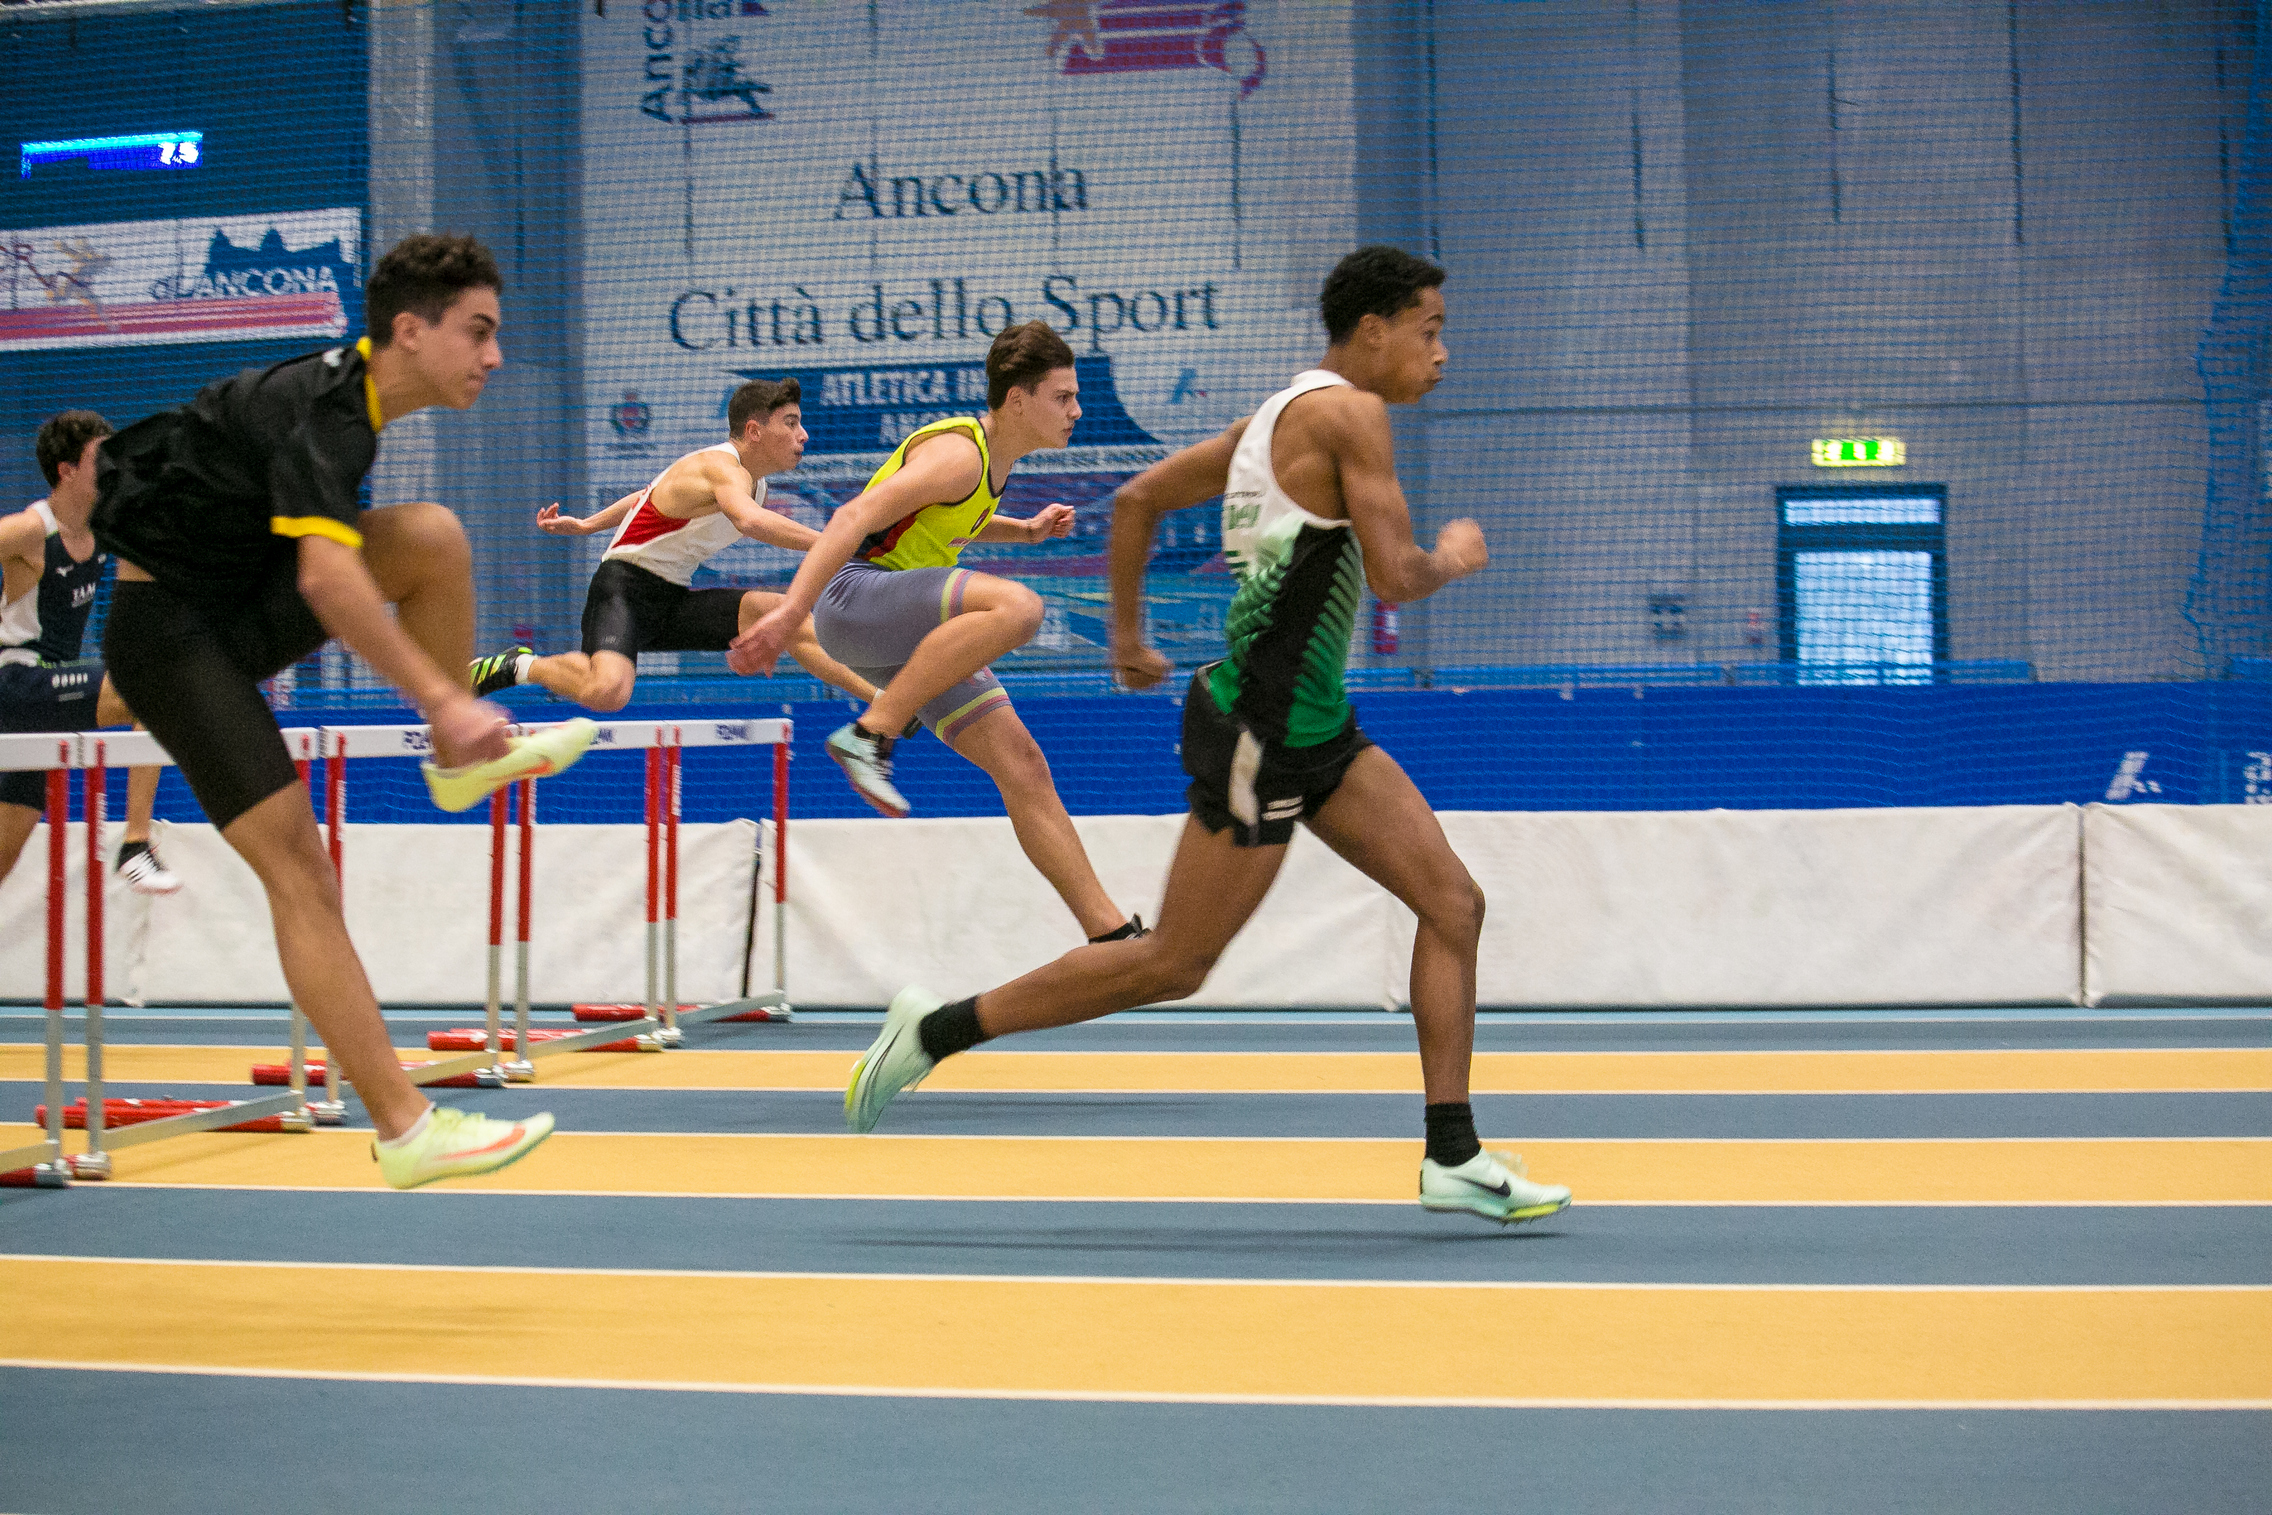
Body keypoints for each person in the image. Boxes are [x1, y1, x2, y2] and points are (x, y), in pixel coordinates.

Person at [840, 247, 1571, 1225]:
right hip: (1263, 729)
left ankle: (1452, 1153)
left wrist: (1129, 640)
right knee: (1171, 964)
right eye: (1429, 331)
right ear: (1373, 331)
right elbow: (1397, 575)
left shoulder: (1269, 420)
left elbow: (1136, 501)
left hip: (1315, 724)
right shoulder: (1351, 415)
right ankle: (933, 1032)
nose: (1441, 353)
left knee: (1452, 902)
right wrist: (1453, 555)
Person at [91, 233, 591, 1190]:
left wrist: (450, 707)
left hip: (235, 600)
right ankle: (405, 1127)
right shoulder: (324, 411)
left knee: (431, 536)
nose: (494, 356)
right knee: (303, 873)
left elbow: (328, 567)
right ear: (410, 330)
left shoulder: (350, 407)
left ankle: (454, 764)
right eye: (478, 331)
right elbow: (328, 581)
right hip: (172, 640)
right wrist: (442, 696)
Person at [730, 321, 1143, 945]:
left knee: (1023, 766)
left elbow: (945, 520)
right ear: (1018, 400)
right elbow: (854, 516)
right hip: (854, 598)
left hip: (896, 627)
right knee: (1018, 608)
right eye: (1063, 397)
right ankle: (870, 734)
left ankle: (1109, 934)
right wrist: (791, 614)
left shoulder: (990, 463)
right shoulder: (960, 453)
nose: (1077, 411)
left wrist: (1025, 531)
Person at [468, 377, 879, 710]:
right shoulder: (719, 466)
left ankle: (885, 703)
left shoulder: (756, 486)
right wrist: (837, 542)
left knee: (782, 615)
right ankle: (520, 665)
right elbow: (749, 521)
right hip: (623, 590)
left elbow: (649, 494)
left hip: (672, 599)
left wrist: (589, 524)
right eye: (790, 423)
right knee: (607, 692)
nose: (803, 435)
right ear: (754, 430)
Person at [0, 411, 179, 896]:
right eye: (100, 458)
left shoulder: (104, 527)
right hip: (17, 685)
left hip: (47, 703)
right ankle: (135, 844)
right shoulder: (30, 530)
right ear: (67, 471)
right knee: (149, 688)